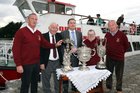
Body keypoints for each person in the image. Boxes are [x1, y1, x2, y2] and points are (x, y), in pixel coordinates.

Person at [12, 13, 62, 93]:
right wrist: (18, 64)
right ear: (28, 20)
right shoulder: (21, 32)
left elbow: (45, 44)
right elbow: (15, 49)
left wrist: (55, 45)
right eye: (32, 19)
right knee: (25, 85)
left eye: (36, 19)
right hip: (26, 64)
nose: (34, 21)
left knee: (35, 84)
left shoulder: (38, 33)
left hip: (36, 64)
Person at [105, 20, 129, 93]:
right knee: (108, 73)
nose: (111, 27)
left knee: (119, 74)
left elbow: (126, 46)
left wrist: (121, 53)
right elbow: (104, 45)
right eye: (110, 25)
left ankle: (119, 89)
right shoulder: (107, 35)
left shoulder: (122, 35)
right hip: (109, 57)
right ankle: (108, 87)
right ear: (108, 27)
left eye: (112, 25)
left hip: (119, 58)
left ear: (116, 26)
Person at [40, 23, 63, 93]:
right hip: (47, 62)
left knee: (58, 81)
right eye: (53, 27)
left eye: (56, 28)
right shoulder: (43, 36)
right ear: (49, 28)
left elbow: (65, 44)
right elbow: (39, 50)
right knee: (46, 81)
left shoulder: (59, 35)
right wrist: (41, 63)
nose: (54, 29)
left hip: (58, 62)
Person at [61, 18, 82, 93]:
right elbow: (62, 46)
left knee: (75, 73)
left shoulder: (79, 33)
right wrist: (69, 50)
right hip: (67, 57)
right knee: (66, 74)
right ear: (68, 24)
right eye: (71, 23)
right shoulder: (63, 33)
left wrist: (79, 50)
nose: (72, 24)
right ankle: (65, 90)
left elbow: (80, 44)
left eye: (74, 23)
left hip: (76, 57)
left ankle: (74, 88)